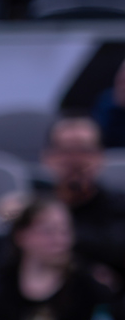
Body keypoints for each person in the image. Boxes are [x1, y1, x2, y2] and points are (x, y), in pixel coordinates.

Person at [28, 117, 125, 281]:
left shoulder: (120, 207)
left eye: (84, 150)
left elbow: (115, 250)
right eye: (65, 151)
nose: (75, 160)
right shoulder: (34, 207)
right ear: (47, 157)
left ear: (100, 156)